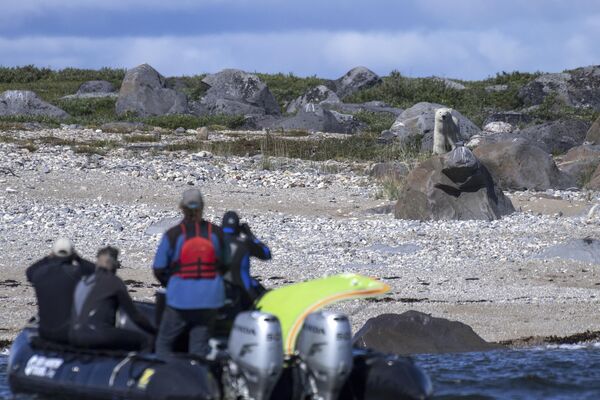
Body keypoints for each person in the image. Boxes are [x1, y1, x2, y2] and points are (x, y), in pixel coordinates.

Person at [152, 189, 229, 358]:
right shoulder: (216, 233)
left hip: (180, 299)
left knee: (164, 343)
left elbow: (158, 268)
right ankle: (198, 378)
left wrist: (171, 284)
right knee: (199, 347)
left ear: (182, 208)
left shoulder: (173, 234)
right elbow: (226, 264)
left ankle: (165, 378)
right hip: (210, 298)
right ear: (202, 207)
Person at [69, 246, 156, 351]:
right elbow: (135, 316)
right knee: (145, 340)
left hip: (74, 333)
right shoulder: (114, 282)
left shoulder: (85, 281)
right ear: (114, 264)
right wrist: (154, 330)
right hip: (98, 333)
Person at [26, 238, 96, 344]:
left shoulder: (40, 274)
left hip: (45, 332)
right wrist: (78, 259)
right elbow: (96, 271)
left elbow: (29, 271)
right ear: (71, 254)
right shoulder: (77, 274)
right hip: (69, 332)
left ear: (54, 253)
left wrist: (48, 258)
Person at [221, 211, 271, 309]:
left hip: (218, 293)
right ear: (238, 228)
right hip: (245, 295)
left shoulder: (213, 242)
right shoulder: (244, 243)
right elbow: (266, 254)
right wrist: (250, 235)